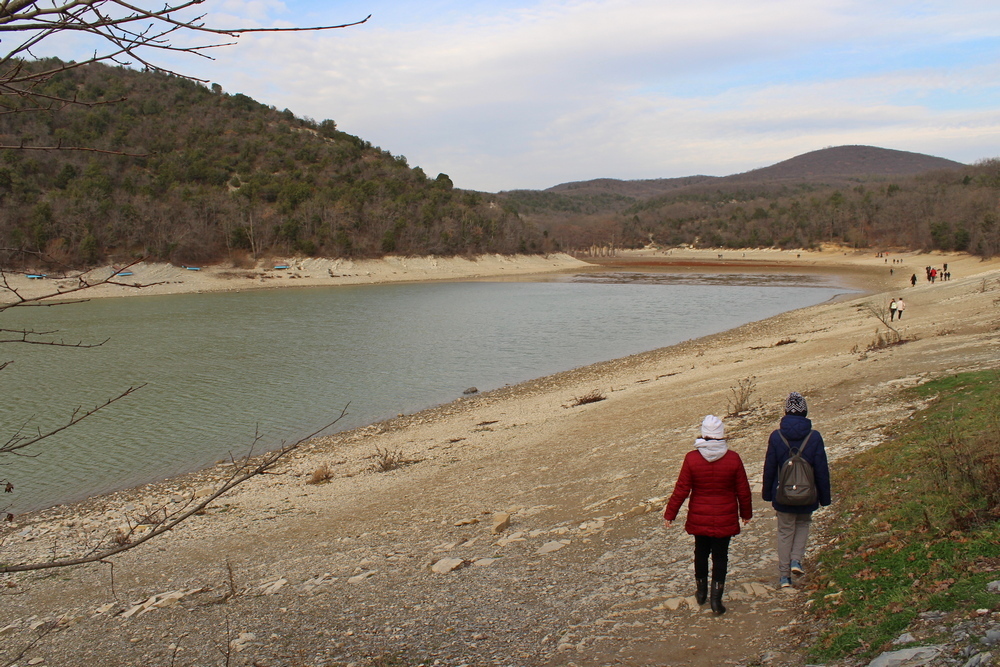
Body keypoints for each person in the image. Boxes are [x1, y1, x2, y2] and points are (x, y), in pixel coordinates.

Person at [664, 415, 752, 615]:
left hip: (699, 516)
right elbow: (743, 490)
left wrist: (670, 514)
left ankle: (701, 593)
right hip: (725, 516)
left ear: (704, 434)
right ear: (721, 435)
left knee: (701, 554)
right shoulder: (733, 458)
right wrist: (746, 514)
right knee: (721, 558)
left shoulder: (692, 458)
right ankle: (716, 601)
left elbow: (682, 489)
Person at [762, 393, 831, 588]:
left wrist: (768, 493)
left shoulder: (776, 436)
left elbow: (769, 467)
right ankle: (796, 560)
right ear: (805, 411)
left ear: (785, 411)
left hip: (782, 494)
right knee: (803, 525)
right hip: (808, 494)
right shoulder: (814, 437)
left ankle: (784, 577)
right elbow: (821, 469)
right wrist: (824, 497)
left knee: (785, 532)